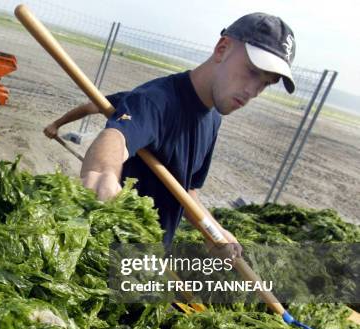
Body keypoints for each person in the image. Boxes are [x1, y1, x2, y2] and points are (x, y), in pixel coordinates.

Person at [43, 13, 296, 257]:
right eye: (252, 71)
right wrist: (102, 174)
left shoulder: (213, 117)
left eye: (266, 83)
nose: (254, 90)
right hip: (111, 249)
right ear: (222, 48)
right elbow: (116, 137)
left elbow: (188, 191)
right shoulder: (157, 101)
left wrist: (214, 230)